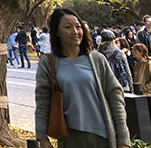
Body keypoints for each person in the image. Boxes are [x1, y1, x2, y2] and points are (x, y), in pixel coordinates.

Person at [34, 8, 130, 148]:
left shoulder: (97, 59)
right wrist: (42, 138)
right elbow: (42, 102)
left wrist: (123, 139)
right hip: (71, 138)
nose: (75, 31)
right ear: (57, 32)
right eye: (68, 27)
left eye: (78, 27)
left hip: (104, 137)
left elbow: (115, 98)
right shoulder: (49, 63)